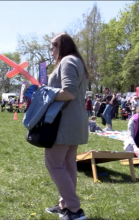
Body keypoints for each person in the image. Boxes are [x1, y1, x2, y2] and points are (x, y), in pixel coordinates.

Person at [45, 33, 88, 220]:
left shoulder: (68, 61)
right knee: (68, 164)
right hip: (74, 122)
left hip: (64, 123)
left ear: (60, 46)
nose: (51, 51)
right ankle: (65, 203)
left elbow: (69, 92)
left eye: (52, 47)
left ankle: (74, 210)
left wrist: (45, 93)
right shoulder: (75, 60)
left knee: (54, 164)